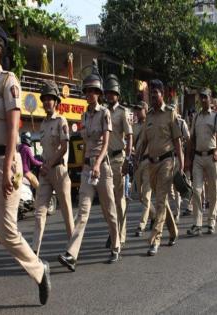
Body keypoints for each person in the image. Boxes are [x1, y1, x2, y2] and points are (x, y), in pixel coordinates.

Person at [0, 24, 51, 314]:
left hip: (5, 162)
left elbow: (13, 128)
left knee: (6, 231)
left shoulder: (8, 82)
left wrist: (6, 167)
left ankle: (39, 270)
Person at [58, 71, 121, 271]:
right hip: (87, 167)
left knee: (109, 209)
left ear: (99, 93)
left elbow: (105, 144)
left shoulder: (105, 113)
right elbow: (85, 143)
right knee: (82, 212)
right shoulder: (84, 115)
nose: (90, 94)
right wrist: (83, 165)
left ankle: (116, 245)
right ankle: (72, 254)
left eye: (93, 91)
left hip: (102, 166)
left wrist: (96, 164)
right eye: (87, 91)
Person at [138, 79, 183, 256]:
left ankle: (155, 239)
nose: (153, 97)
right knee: (161, 200)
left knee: (160, 199)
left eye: (155, 93)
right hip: (151, 163)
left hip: (167, 161)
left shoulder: (171, 114)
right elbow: (144, 141)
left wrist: (180, 163)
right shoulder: (148, 116)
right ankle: (173, 232)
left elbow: (178, 142)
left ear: (162, 94)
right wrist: (136, 158)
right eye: (151, 94)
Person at [32, 80, 74, 255]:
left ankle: (73, 251)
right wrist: (43, 164)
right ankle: (34, 252)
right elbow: (45, 150)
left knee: (66, 213)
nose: (47, 102)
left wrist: (48, 164)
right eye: (45, 99)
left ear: (56, 102)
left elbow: (64, 147)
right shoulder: (43, 124)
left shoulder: (61, 120)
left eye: (51, 98)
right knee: (39, 212)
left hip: (58, 171)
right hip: (46, 172)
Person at [185, 88, 217, 236]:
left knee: (213, 190)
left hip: (212, 156)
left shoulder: (216, 116)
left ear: (210, 99)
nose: (203, 100)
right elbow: (191, 139)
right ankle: (197, 223)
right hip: (198, 158)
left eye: (205, 97)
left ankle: (211, 221)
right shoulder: (196, 117)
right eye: (201, 98)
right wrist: (188, 158)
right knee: (197, 190)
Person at [104, 74, 133, 248]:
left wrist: (127, 160)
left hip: (118, 157)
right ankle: (113, 231)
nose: (109, 95)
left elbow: (129, 136)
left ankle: (120, 235)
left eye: (112, 93)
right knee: (108, 201)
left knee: (119, 199)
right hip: (105, 160)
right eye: (107, 92)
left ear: (118, 95)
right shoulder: (103, 111)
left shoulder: (123, 112)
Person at [132, 101, 155, 237]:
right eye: (136, 110)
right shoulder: (134, 126)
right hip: (138, 162)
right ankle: (154, 215)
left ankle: (141, 225)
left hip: (148, 162)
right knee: (140, 196)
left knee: (146, 195)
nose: (137, 112)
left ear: (145, 110)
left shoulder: (150, 125)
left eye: (139, 110)